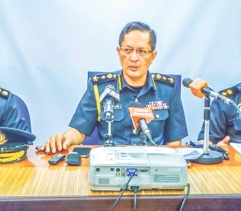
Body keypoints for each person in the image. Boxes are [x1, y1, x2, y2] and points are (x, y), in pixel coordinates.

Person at [42, 21, 188, 152]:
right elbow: (78, 131)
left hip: (152, 165)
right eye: (127, 50)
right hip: (110, 163)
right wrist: (64, 138)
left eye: (142, 51)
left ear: (153, 56)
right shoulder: (100, 88)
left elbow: (174, 143)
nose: (134, 58)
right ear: (119, 52)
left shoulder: (167, 90)